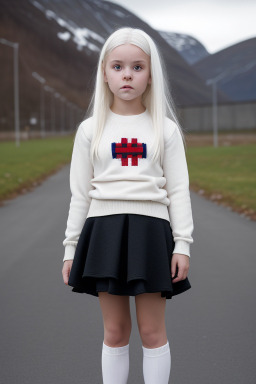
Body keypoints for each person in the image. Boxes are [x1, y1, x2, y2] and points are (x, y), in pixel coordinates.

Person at [62, 27, 194, 384]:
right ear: (105, 72)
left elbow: (179, 190)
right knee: (115, 331)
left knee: (152, 332)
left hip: (151, 232)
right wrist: (70, 248)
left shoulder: (165, 130)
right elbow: (80, 193)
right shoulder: (90, 130)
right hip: (103, 231)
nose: (127, 75)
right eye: (118, 66)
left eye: (137, 67)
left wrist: (182, 244)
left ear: (151, 75)